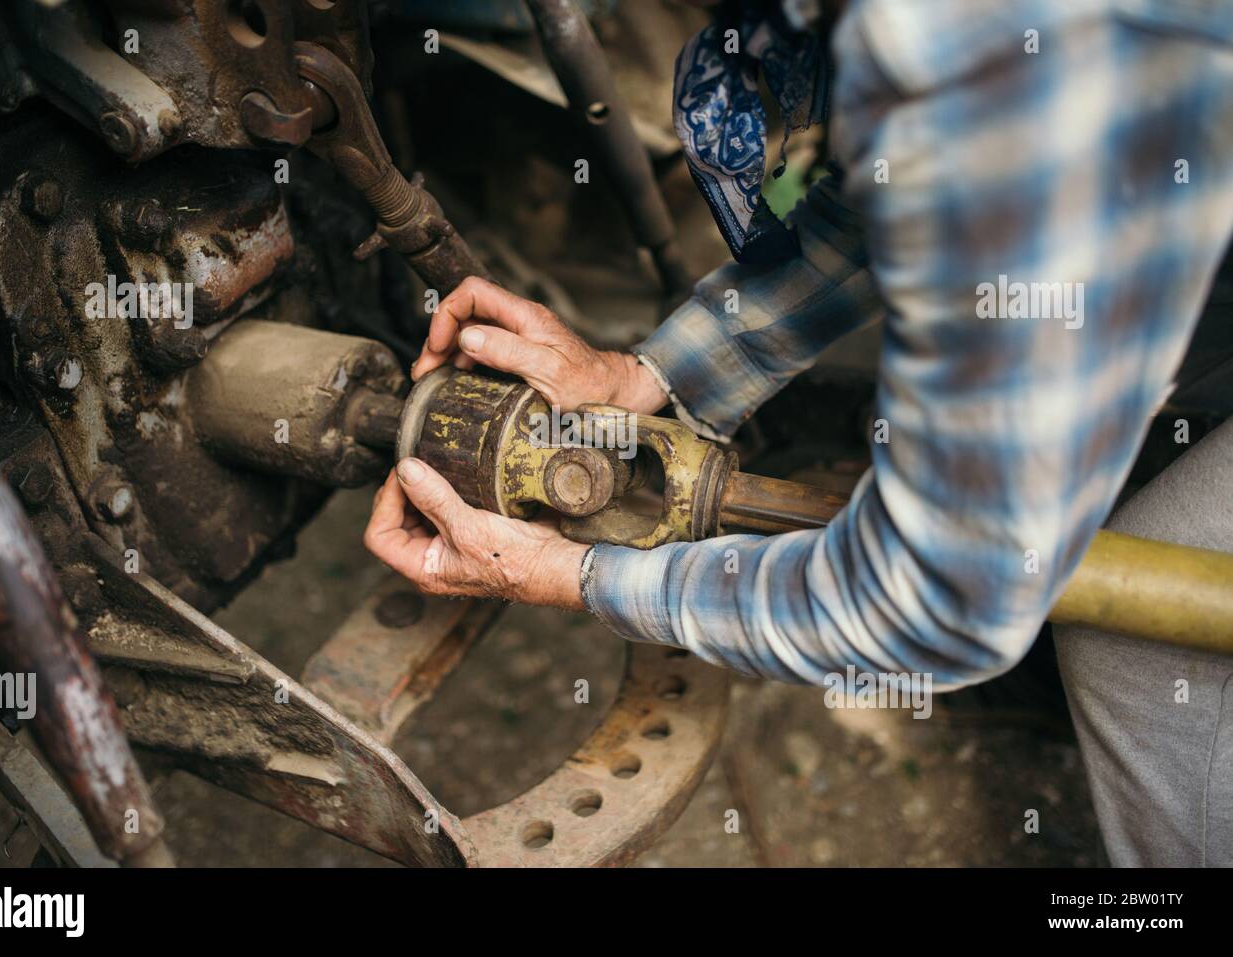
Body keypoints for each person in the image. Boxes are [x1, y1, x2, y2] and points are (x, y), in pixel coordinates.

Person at [366, 0, 1233, 865]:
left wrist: (580, 576)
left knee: (1137, 640)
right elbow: (899, 193)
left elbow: (932, 603)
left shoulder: (987, 41)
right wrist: (654, 375)